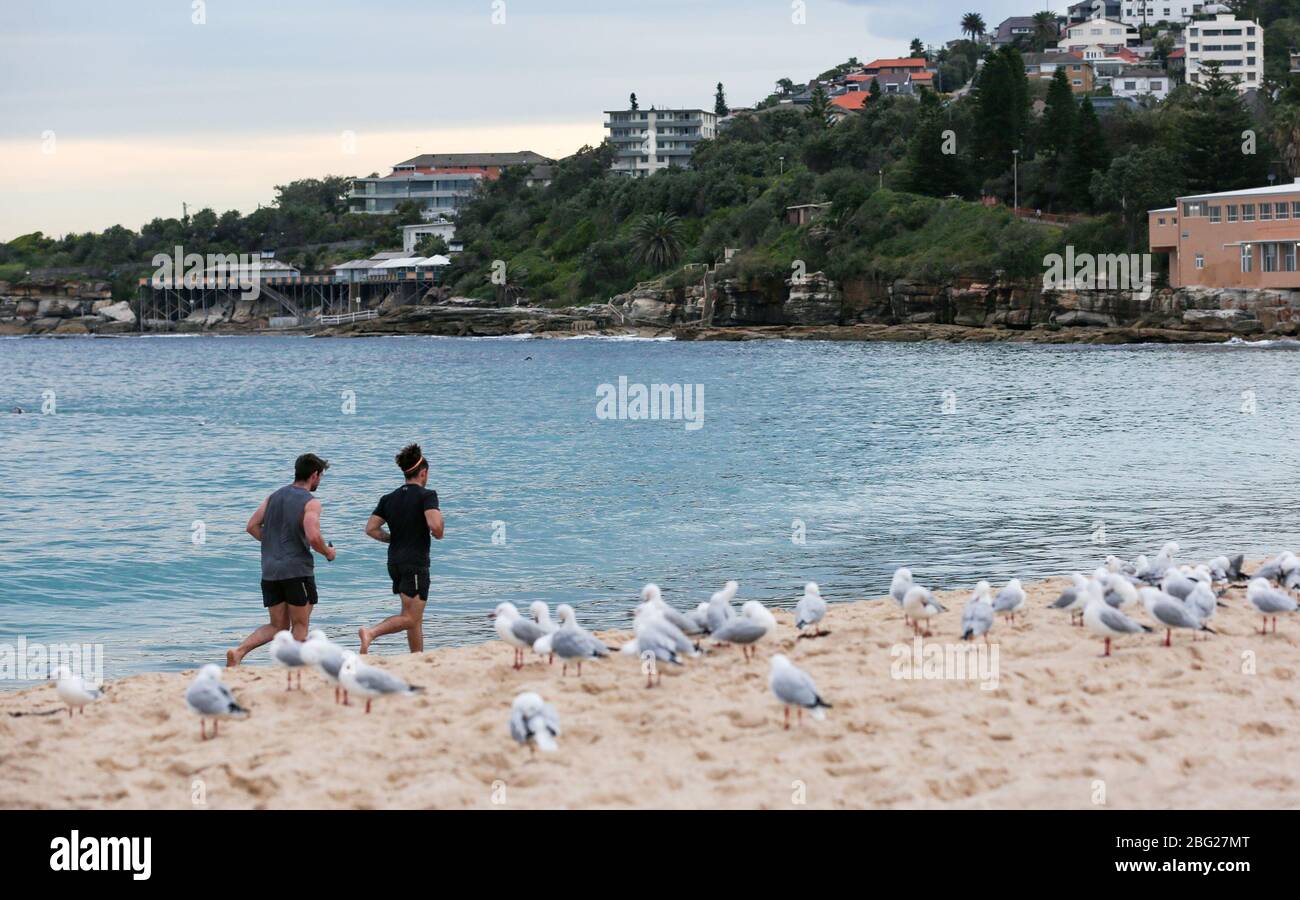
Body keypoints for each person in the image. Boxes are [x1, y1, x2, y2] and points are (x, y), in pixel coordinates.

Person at [227, 453, 335, 666]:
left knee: (277, 625)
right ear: (314, 475)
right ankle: (295, 667)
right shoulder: (311, 502)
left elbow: (251, 526)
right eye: (320, 476)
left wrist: (272, 544)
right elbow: (313, 536)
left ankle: (239, 652)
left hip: (270, 571)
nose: (319, 481)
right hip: (297, 571)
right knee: (300, 624)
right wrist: (328, 552)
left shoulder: (274, 496)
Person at [361, 443, 444, 653]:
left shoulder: (388, 498)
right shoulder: (427, 495)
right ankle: (371, 633)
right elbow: (435, 525)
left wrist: (393, 538)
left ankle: (417, 657)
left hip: (394, 562)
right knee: (411, 617)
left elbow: (371, 529)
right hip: (415, 562)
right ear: (423, 472)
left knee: (412, 616)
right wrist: (438, 532)